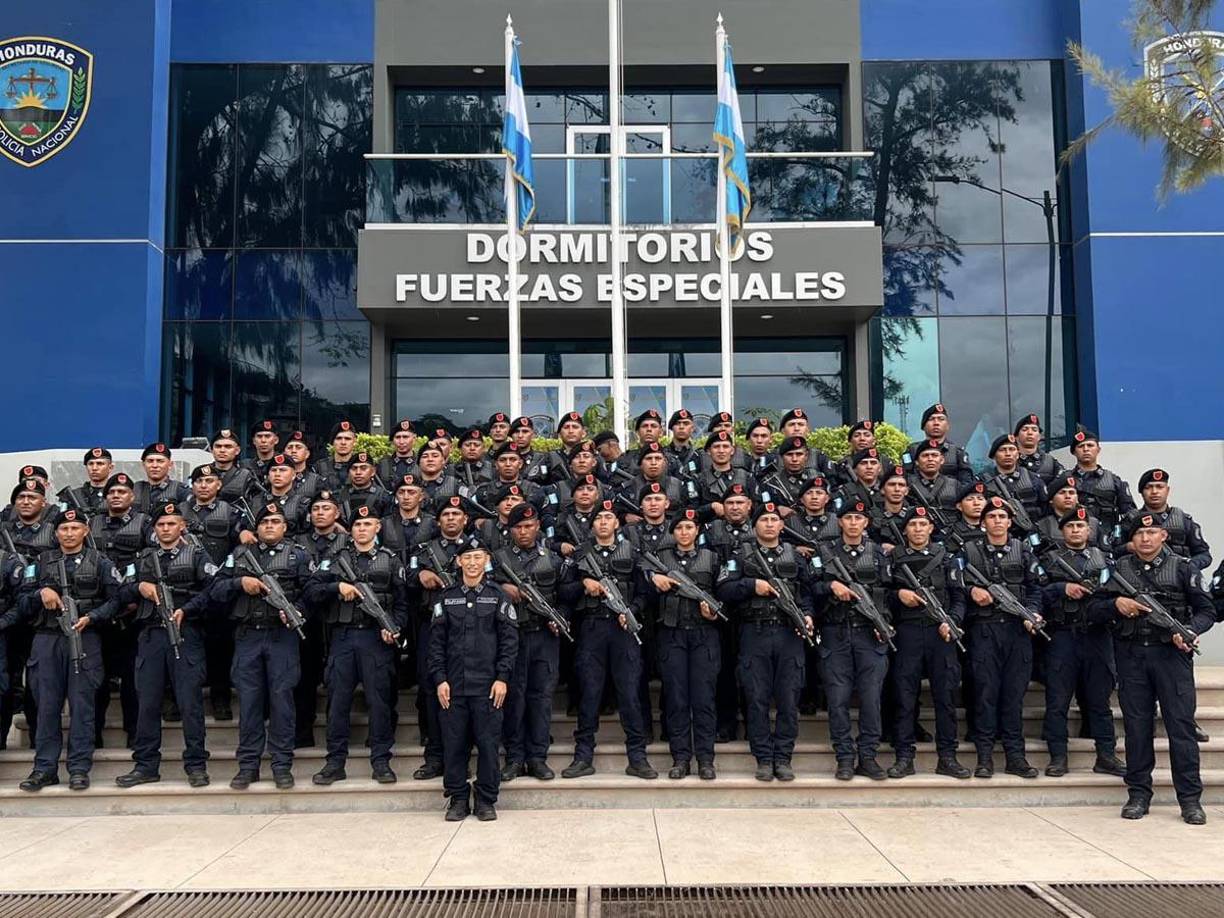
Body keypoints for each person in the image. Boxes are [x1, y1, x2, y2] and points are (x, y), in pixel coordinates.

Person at [1090, 513, 1215, 824]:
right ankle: (1138, 794)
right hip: (1131, 657)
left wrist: (1188, 630)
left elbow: (1207, 610)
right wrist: (1115, 605)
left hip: (1171, 657)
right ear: (1131, 540)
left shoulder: (1184, 568)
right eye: (1139, 533)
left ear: (1164, 536)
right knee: (1136, 728)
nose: (1145, 538)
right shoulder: (1117, 570)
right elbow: (1092, 609)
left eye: (1152, 532)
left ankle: (1189, 799)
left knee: (1181, 728)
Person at [8, 508, 123, 791]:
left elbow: (117, 599)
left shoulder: (101, 562)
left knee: (83, 706)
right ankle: (44, 768)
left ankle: (79, 768)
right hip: (47, 639)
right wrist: (40, 593)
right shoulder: (41, 562)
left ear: (85, 531)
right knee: (46, 707)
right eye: (63, 529)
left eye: (75, 528)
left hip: (85, 637)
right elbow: (21, 601)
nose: (69, 533)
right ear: (55, 532)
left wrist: (92, 617)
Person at [116, 502, 218, 789]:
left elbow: (214, 590)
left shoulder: (197, 554)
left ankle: (196, 764)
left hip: (186, 634)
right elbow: (119, 591)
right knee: (147, 703)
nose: (165, 529)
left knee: (190, 703)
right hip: (151, 636)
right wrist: (139, 587)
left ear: (182, 526)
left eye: (171, 524)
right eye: (160, 525)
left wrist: (188, 609)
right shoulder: (144, 559)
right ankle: (146, 765)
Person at [213, 503, 315, 790]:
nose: (269, 526)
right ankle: (248, 765)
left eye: (275, 521)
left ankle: (281, 765)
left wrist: (296, 610)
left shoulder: (297, 556)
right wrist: (239, 583)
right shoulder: (240, 555)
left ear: (285, 527)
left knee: (282, 701)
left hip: (282, 635)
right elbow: (216, 590)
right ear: (256, 528)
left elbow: (313, 593)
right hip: (248, 636)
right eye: (265, 522)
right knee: (249, 702)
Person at [308, 505, 410, 786]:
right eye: (358, 525)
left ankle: (380, 761)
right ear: (350, 530)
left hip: (376, 640)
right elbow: (312, 592)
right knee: (337, 703)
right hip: (342, 638)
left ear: (378, 528)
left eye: (368, 524)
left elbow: (402, 604)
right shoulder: (334, 559)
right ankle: (334, 762)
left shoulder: (390, 561)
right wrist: (335, 588)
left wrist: (394, 628)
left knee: (379, 702)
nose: (362, 529)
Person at [716, 501, 816, 782]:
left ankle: (783, 757)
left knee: (788, 698)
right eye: (764, 520)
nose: (770, 524)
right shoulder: (740, 555)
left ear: (782, 525)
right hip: (754, 633)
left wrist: (808, 615)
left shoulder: (795, 558)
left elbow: (808, 592)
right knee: (756, 698)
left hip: (788, 633)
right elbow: (723, 588)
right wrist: (751, 586)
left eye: (774, 520)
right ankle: (763, 757)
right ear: (754, 525)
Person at [558, 499, 657, 780]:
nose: (603, 522)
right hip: (591, 629)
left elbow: (645, 592)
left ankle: (637, 757)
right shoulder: (579, 555)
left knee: (629, 695)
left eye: (608, 518)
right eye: (598, 518)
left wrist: (633, 611)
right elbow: (563, 592)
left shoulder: (634, 552)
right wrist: (582, 585)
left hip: (624, 630)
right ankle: (583, 756)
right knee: (589, 695)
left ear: (617, 524)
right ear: (592, 525)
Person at [430, 534, 519, 822]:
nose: (472, 562)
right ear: (458, 561)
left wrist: (502, 677)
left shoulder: (498, 596)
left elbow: (509, 641)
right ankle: (457, 798)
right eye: (467, 557)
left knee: (488, 745)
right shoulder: (445, 598)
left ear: (487, 561)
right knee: (454, 745)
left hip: (488, 686)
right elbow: (436, 644)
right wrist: (440, 679)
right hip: (453, 687)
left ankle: (485, 799)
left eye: (477, 556)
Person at [959, 495, 1044, 778]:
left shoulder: (1023, 551)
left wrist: (1034, 613)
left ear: (1010, 522)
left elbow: (1035, 589)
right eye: (992, 517)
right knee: (985, 694)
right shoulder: (968, 552)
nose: (997, 521)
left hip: (1017, 631)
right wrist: (972, 593)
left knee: (1013, 696)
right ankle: (984, 758)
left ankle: (1015, 756)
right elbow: (954, 588)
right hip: (983, 631)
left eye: (1002, 517)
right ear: (983, 523)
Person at [1039, 507, 1124, 778]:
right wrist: (1061, 588)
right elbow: (1035, 593)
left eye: (1081, 526)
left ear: (1090, 530)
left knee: (1099, 702)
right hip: (1062, 635)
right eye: (1071, 526)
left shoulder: (1105, 560)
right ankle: (1058, 757)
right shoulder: (1049, 560)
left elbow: (1118, 593)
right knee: (1057, 702)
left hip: (1096, 635)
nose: (1076, 530)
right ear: (1062, 531)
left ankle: (1106, 755)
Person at [886, 505, 969, 778]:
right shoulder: (894, 558)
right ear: (905, 529)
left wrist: (952, 621)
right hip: (907, 631)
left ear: (931, 528)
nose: (918, 529)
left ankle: (948, 757)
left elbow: (959, 597)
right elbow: (881, 594)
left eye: (923, 524)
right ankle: (904, 756)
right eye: (913, 525)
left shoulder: (947, 559)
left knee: (945, 697)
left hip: (940, 632)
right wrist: (898, 595)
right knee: (904, 696)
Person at [814, 499, 892, 781]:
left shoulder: (878, 554)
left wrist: (883, 622)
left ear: (866, 523)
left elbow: (890, 591)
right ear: (840, 522)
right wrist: (830, 585)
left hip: (869, 634)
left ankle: (868, 756)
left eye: (859, 518)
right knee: (837, 699)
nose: (853, 523)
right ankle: (845, 757)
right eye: (848, 518)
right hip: (835, 633)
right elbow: (810, 586)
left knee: (871, 699)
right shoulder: (824, 553)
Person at [493, 503, 566, 781]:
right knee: (513, 697)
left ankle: (537, 757)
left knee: (541, 697)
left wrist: (559, 619)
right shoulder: (498, 559)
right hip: (511, 637)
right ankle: (514, 757)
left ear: (538, 526)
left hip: (544, 637)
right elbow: (483, 589)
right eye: (519, 527)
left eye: (529, 526)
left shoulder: (553, 558)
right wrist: (502, 589)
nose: (524, 531)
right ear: (511, 529)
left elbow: (567, 595)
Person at [648, 508, 721, 780]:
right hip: (673, 634)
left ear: (697, 531)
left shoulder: (712, 558)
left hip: (704, 635)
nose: (684, 532)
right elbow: (642, 581)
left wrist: (713, 611)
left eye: (689, 527)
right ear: (673, 532)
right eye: (679, 528)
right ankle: (680, 757)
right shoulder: (660, 560)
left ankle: (705, 759)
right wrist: (653, 578)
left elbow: (724, 590)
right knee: (677, 699)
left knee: (703, 700)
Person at [181, 463, 251, 723]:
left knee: (221, 648)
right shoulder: (179, 512)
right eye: (199, 481)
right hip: (187, 590)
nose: (204, 485)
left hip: (219, 591)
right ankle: (180, 700)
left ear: (218, 485)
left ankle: (220, 698)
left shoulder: (232, 513)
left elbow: (239, 547)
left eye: (209, 482)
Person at [410, 496, 470, 779]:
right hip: (432, 627)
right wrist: (420, 574)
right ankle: (434, 756)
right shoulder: (424, 551)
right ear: (438, 521)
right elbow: (403, 578)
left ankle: (462, 754)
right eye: (446, 514)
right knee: (431, 690)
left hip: (469, 630)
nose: (451, 518)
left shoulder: (475, 550)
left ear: (465, 520)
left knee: (466, 692)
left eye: (456, 514)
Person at [1118, 468, 1212, 572]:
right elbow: (1113, 551)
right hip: (1140, 577)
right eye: (1148, 487)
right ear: (1141, 492)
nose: (1154, 492)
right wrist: (1127, 547)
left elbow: (1204, 555)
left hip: (1178, 581)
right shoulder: (1131, 519)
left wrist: (1187, 567)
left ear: (1167, 490)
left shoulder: (1182, 520)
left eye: (1159, 487)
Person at [1069, 428, 1136, 531]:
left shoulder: (1113, 481)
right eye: (1081, 446)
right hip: (1076, 534)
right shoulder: (1066, 480)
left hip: (1109, 537)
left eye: (1090, 445)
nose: (1086, 449)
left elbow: (1130, 512)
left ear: (1098, 449)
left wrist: (1120, 533)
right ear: (1074, 452)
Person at [904, 403, 975, 485]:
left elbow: (966, 483)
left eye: (941, 419)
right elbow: (906, 478)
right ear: (923, 426)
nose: (936, 423)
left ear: (948, 426)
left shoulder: (957, 453)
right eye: (931, 419)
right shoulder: (912, 450)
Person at [132, 443, 191, 513]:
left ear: (170, 464)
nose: (155, 465)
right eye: (150, 461)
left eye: (160, 461)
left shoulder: (181, 490)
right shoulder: (135, 489)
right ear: (143, 464)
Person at [207, 429, 259, 506]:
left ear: (237, 450)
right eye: (218, 446)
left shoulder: (246, 476)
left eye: (228, 447)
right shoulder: (202, 473)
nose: (222, 450)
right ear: (211, 450)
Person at [58, 447, 114, 517]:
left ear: (110, 467)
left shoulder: (117, 494)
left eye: (100, 464)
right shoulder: (75, 495)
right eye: (90, 464)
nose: (94, 468)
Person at [1013, 414, 1066, 487]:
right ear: (1016, 437)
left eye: (1034, 430)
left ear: (1039, 437)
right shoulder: (1010, 461)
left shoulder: (1050, 461)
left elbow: (1064, 481)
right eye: (1025, 429)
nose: (1030, 433)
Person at [314, 420, 360, 491]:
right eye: (339, 438)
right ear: (332, 442)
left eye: (348, 439)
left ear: (354, 442)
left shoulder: (362, 467)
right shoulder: (320, 466)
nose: (343, 442)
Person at [377, 419, 421, 486]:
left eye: (405, 437)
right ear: (393, 441)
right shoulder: (383, 464)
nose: (401, 442)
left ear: (414, 439)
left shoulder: (421, 463)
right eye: (397, 437)